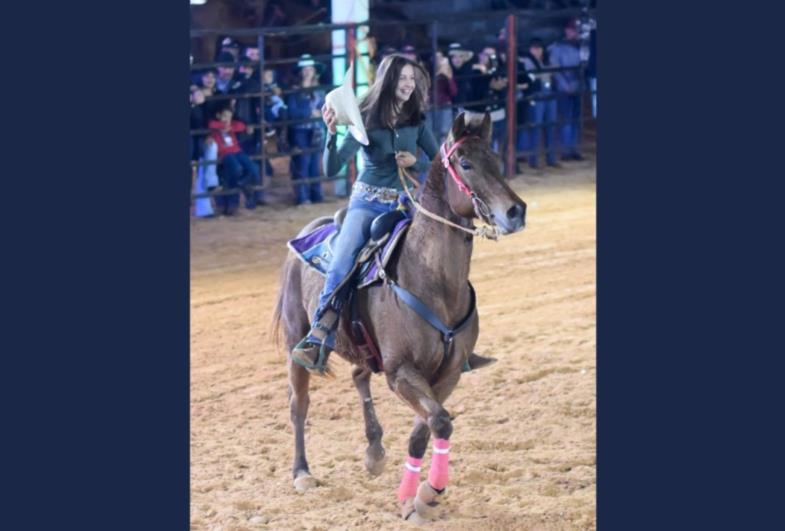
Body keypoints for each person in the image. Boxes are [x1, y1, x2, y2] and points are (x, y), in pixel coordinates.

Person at [290, 54, 439, 373]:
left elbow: (438, 163)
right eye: (402, 79)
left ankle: (449, 334)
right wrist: (330, 133)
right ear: (388, 81)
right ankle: (320, 334)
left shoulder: (417, 119)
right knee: (344, 259)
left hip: (407, 203)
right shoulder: (365, 118)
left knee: (441, 251)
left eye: (412, 79)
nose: (409, 85)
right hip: (367, 204)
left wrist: (417, 163)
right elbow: (331, 169)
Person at [286, 54, 326, 205]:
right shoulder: (295, 92)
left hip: (316, 129)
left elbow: (325, 108)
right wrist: (309, 113)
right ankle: (303, 196)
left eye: (310, 69)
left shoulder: (320, 91)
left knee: (314, 164)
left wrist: (321, 114)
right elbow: (291, 112)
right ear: (301, 72)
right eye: (305, 69)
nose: (308, 72)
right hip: (300, 130)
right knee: (303, 163)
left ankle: (316, 195)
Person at [208, 106, 265, 213]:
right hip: (224, 153)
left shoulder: (232, 124)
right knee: (236, 169)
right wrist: (225, 125)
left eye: (229, 116)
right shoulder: (215, 125)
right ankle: (243, 193)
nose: (227, 119)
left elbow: (241, 126)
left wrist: (230, 126)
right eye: (225, 116)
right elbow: (212, 124)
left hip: (237, 151)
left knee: (254, 168)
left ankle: (243, 184)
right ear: (218, 115)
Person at [548, 18, 584, 161]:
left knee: (576, 120)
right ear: (566, 30)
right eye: (571, 29)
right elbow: (555, 69)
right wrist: (565, 85)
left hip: (577, 86)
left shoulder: (580, 46)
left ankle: (574, 149)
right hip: (566, 87)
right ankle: (566, 151)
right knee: (567, 120)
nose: (573, 32)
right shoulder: (558, 47)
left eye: (575, 29)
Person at [520, 38, 558, 168]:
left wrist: (543, 74)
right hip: (537, 94)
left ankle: (551, 159)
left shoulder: (546, 60)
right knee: (536, 127)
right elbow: (533, 76)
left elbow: (553, 70)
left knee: (550, 127)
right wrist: (545, 74)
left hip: (548, 94)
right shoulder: (527, 61)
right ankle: (534, 160)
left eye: (538, 48)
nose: (536, 51)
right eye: (534, 48)